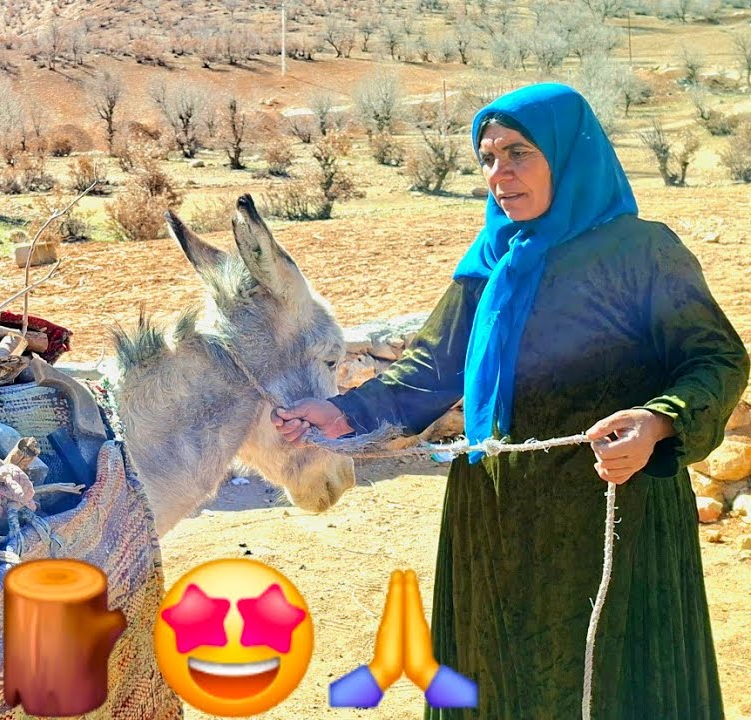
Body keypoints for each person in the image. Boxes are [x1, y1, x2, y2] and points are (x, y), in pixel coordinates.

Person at [274, 83, 748, 718]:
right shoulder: (493, 257)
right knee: (498, 669)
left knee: (606, 677)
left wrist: (657, 422)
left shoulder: (642, 252)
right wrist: (346, 412)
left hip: (611, 505)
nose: (500, 175)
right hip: (495, 507)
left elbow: (715, 358)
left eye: (519, 153)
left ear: (567, 154)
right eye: (488, 158)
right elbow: (434, 367)